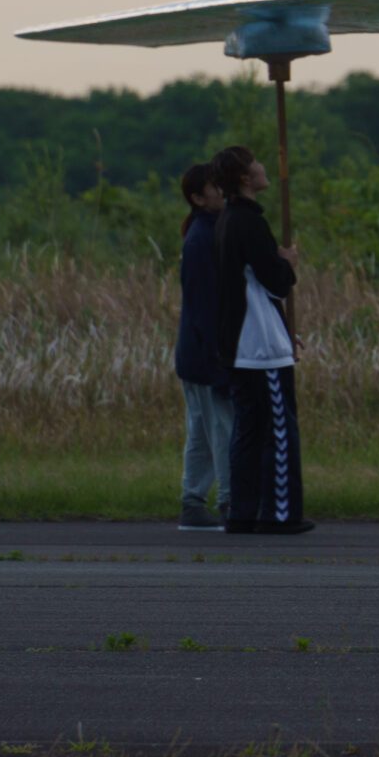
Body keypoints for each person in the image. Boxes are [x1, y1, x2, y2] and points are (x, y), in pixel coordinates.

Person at [212, 145, 310, 535]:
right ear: (243, 177)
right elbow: (275, 281)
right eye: (255, 163)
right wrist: (287, 263)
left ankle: (243, 511)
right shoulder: (248, 222)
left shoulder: (227, 220)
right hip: (260, 346)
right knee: (279, 430)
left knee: (248, 429)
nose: (263, 166)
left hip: (241, 342)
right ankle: (279, 513)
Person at [174, 162, 232, 532]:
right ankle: (230, 501)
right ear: (198, 197)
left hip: (194, 352)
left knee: (201, 429)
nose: (222, 193)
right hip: (206, 352)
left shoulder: (204, 233)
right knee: (223, 428)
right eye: (216, 188)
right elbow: (204, 306)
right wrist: (220, 355)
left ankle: (193, 502)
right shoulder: (202, 240)